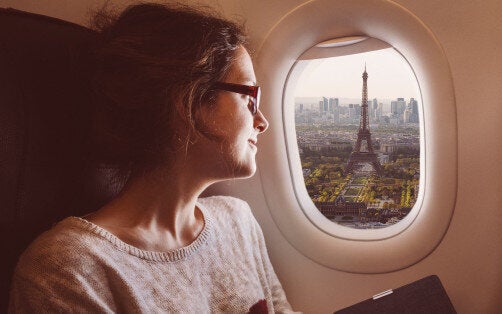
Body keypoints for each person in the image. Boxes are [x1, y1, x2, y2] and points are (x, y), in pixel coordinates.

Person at [9, 3, 297, 313]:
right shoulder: (69, 269)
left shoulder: (237, 220)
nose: (262, 121)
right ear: (186, 102)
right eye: (249, 97)